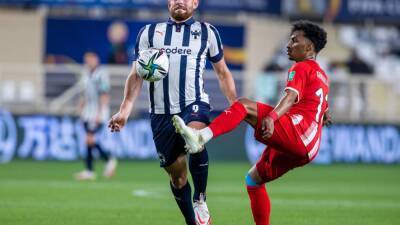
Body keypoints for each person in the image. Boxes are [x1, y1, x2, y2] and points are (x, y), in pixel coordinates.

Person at [172, 21, 331, 225]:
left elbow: (290, 97)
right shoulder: (323, 76)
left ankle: (200, 136)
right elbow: (322, 106)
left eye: (294, 40)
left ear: (309, 47)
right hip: (310, 147)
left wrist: (272, 118)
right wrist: (325, 115)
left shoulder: (300, 67)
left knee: (244, 106)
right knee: (253, 179)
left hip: (298, 133)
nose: (289, 45)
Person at [108, 0, 237, 224]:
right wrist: (124, 111)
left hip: (194, 102)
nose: (180, 1)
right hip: (161, 112)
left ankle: (200, 199)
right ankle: (192, 221)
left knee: (196, 138)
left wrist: (236, 105)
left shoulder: (207, 32)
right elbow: (136, 75)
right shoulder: (149, 33)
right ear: (168, 3)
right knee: (177, 177)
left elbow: (223, 72)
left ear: (195, 3)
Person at [75, 51, 118, 181]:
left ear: (96, 59)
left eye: (91, 59)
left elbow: (104, 94)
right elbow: (83, 94)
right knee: (89, 141)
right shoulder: (85, 75)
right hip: (87, 113)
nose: (89, 62)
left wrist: (100, 114)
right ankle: (91, 170)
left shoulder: (101, 74)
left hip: (97, 113)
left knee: (90, 139)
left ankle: (107, 161)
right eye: (87, 60)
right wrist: (80, 108)